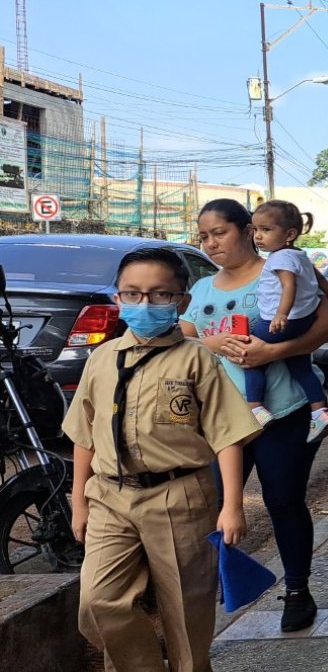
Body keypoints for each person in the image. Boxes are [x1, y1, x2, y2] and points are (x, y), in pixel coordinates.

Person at [66, 248, 262, 671]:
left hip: (180, 496)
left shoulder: (197, 359)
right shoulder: (102, 358)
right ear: (117, 299)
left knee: (186, 611)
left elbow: (228, 435)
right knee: (99, 603)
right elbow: (83, 434)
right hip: (109, 496)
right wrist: (78, 502)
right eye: (132, 294)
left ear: (181, 301)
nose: (145, 304)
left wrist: (232, 506)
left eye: (159, 295)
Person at [183, 198, 328, 632]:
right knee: (215, 506)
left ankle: (297, 590)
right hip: (220, 421)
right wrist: (212, 345)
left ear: (247, 230)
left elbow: (327, 326)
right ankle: (223, 587)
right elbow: (180, 342)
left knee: (283, 501)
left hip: (283, 411)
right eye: (203, 237)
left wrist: (275, 350)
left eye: (219, 233)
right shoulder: (202, 290)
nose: (211, 243)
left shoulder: (279, 269)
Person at [243, 200, 328, 442]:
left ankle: (256, 409)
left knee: (251, 357)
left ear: (290, 234)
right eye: (255, 230)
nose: (258, 236)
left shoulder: (280, 258)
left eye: (266, 230)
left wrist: (280, 314)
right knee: (300, 366)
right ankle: (319, 411)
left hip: (280, 321)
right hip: (303, 320)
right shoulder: (300, 255)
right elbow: (320, 279)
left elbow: (289, 286)